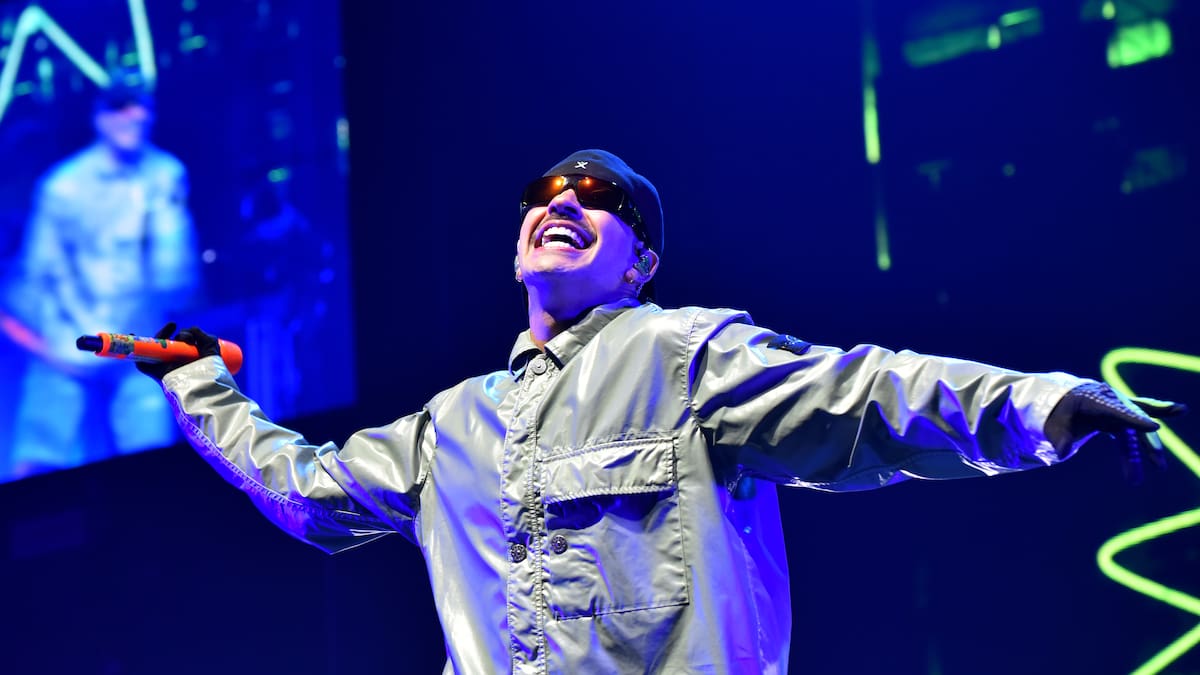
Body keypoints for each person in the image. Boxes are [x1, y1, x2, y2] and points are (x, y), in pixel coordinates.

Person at [141, 149, 1181, 674]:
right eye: (545, 193)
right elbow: (307, 489)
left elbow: (865, 391)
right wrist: (198, 385)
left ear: (640, 261)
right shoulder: (449, 426)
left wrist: (1046, 402)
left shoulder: (682, 353)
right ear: (516, 250)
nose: (563, 201)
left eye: (600, 198)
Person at [5, 76, 198, 478]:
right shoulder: (63, 187)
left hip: (140, 344)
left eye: (142, 107)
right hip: (69, 344)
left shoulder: (165, 173)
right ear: (100, 117)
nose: (136, 116)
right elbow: (37, 274)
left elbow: (175, 276)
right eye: (122, 107)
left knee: (153, 462)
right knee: (40, 456)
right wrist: (44, 345)